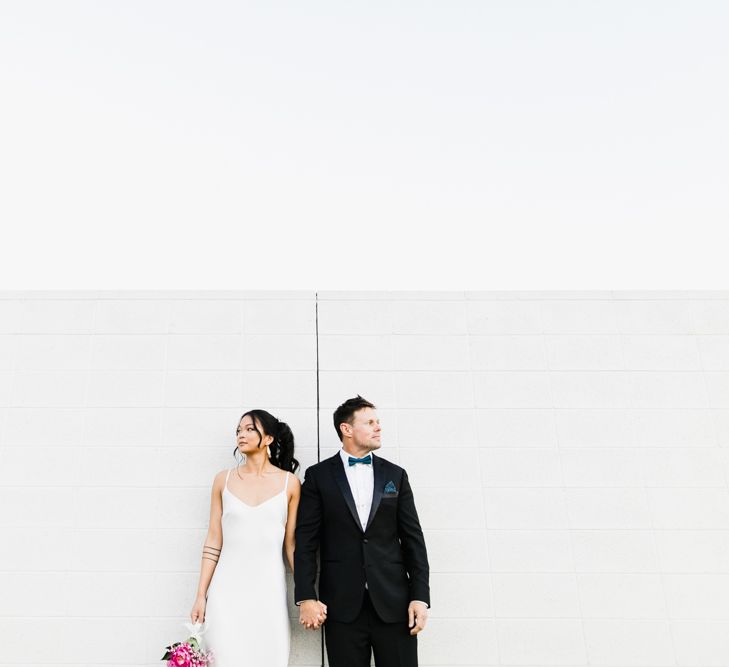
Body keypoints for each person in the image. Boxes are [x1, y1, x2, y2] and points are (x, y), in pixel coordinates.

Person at [294, 395, 430, 667]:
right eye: (369, 422)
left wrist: (420, 597)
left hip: (395, 604)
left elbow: (413, 539)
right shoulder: (318, 476)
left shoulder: (396, 475)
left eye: (378, 422)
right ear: (346, 429)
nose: (378, 427)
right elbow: (306, 541)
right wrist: (306, 596)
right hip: (342, 606)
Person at [190, 409, 302, 667]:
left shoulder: (290, 484)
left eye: (250, 429)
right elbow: (213, 541)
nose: (242, 434)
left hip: (268, 592)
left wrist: (307, 594)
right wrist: (200, 595)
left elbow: (292, 546)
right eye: (239, 430)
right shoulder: (223, 480)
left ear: (269, 439)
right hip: (225, 593)